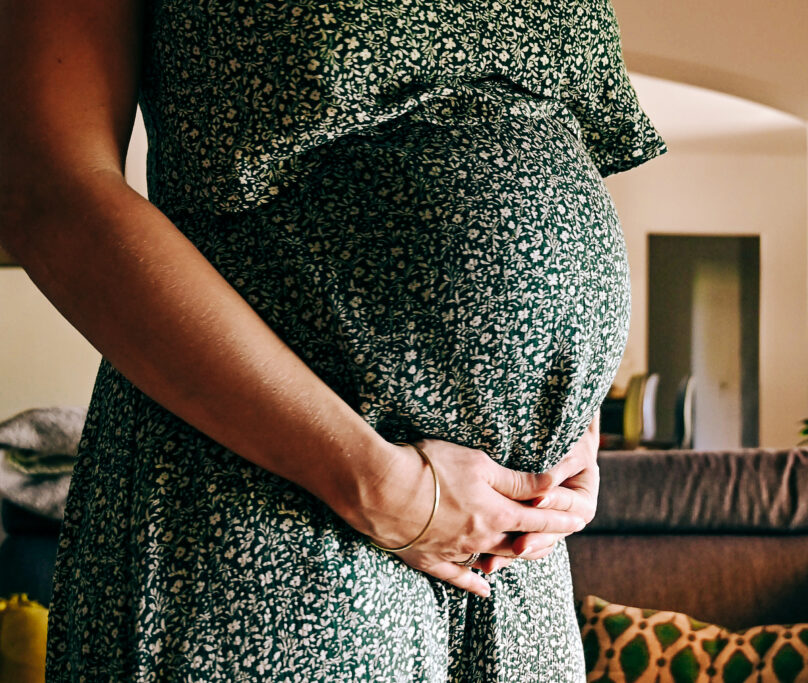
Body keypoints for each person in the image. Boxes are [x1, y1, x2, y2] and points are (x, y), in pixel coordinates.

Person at [0, 0, 666, 680]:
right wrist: (378, 483)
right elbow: (49, 189)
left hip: (516, 546)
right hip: (277, 503)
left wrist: (569, 435)